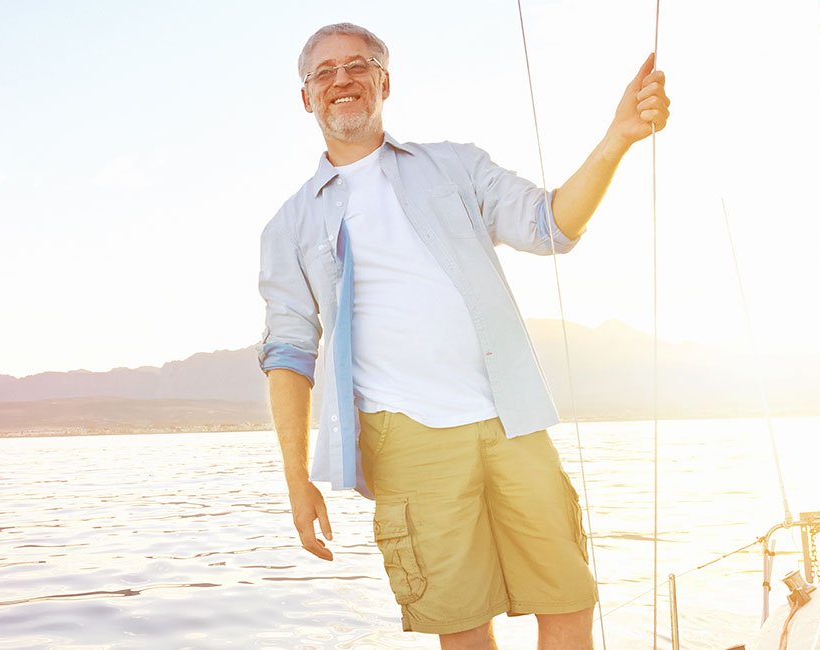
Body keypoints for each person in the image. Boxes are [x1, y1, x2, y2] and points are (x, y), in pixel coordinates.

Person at [256, 22, 669, 650]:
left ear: (384, 82)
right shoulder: (289, 225)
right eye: (325, 72)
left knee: (568, 599)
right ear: (306, 96)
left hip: (513, 418)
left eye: (359, 65)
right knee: (460, 623)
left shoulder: (456, 166)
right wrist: (296, 479)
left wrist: (619, 138)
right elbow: (288, 354)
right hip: (406, 436)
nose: (343, 79)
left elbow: (548, 225)